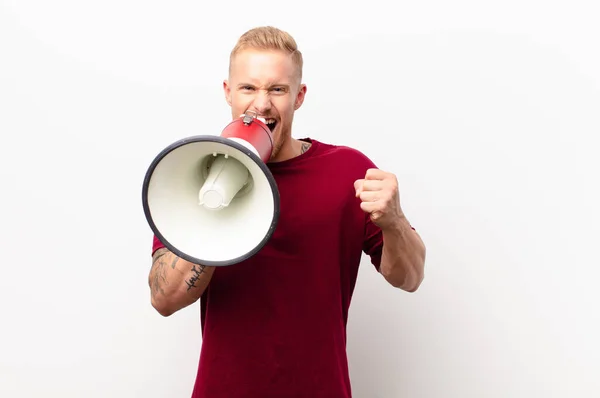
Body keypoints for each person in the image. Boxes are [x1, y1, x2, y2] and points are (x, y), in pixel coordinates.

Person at [148, 26, 426, 398]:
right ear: (228, 92)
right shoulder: (188, 173)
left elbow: (410, 278)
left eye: (277, 89)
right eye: (248, 88)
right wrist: (215, 204)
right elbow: (164, 299)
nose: (261, 104)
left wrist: (392, 223)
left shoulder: (347, 170)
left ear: (299, 96)